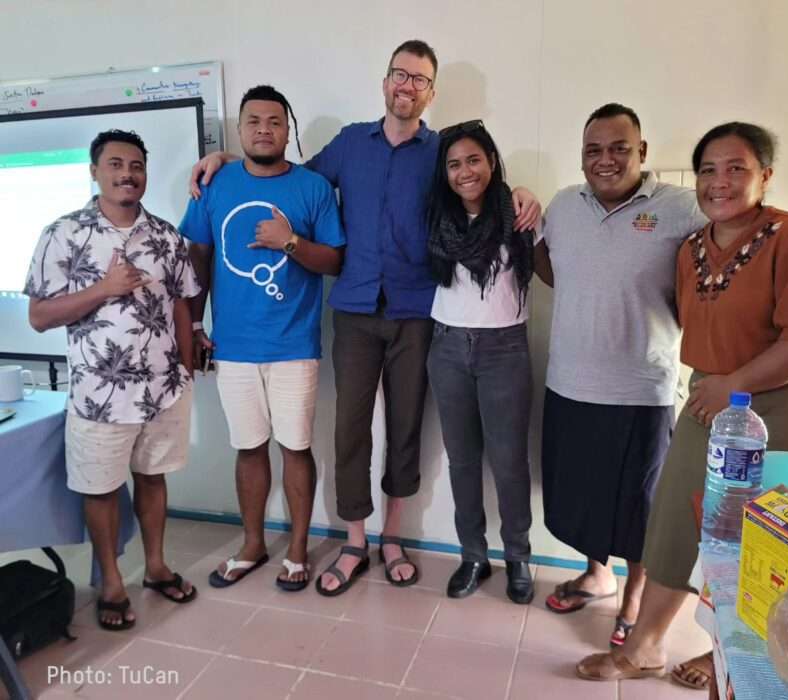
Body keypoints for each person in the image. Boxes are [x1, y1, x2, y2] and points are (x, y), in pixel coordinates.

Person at [190, 40, 540, 596]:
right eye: (399, 74)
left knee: (405, 428)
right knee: (350, 429)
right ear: (384, 82)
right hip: (353, 311)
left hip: (417, 310)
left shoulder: (441, 150)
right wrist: (228, 160)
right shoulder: (351, 143)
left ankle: (392, 538)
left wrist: (518, 187)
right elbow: (290, 176)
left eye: (419, 79)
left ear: (430, 92)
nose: (406, 86)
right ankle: (356, 539)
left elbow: (480, 183)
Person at [576, 122, 788, 686]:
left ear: (765, 176)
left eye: (736, 169)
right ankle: (644, 647)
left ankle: (733, 655)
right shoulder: (693, 249)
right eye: (708, 170)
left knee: (771, 543)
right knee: (679, 521)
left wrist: (738, 383)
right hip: (710, 402)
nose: (719, 182)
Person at [534, 103, 707, 647]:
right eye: (593, 150)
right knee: (583, 496)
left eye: (618, 149)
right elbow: (546, 261)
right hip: (570, 383)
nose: (605, 160)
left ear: (642, 153)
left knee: (640, 506)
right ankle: (597, 574)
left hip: (643, 390)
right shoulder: (564, 205)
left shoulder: (682, 208)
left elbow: (738, 250)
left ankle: (633, 597)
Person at [25, 129, 199, 630]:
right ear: (95, 171)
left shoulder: (166, 236)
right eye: (117, 164)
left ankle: (157, 566)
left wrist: (185, 369)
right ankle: (112, 582)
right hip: (99, 395)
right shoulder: (63, 233)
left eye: (137, 165)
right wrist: (104, 288)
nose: (128, 174)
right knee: (99, 488)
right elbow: (39, 315)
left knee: (153, 477)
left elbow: (183, 306)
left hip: (163, 389)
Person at [180, 85, 345, 592]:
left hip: (294, 345)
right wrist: (193, 325)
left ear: (287, 129)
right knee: (247, 447)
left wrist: (290, 242)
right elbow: (198, 260)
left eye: (274, 121)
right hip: (233, 347)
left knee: (295, 447)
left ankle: (296, 549)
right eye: (254, 121)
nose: (264, 130)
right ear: (240, 129)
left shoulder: (313, 188)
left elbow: (335, 261)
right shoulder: (215, 184)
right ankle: (252, 543)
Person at [425, 120, 536, 604]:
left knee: (510, 462)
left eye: (474, 160)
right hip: (446, 346)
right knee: (462, 461)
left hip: (504, 349)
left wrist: (529, 193)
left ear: (491, 162)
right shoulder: (436, 218)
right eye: (453, 164)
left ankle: (518, 557)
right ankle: (473, 555)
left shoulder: (518, 213)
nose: (464, 172)